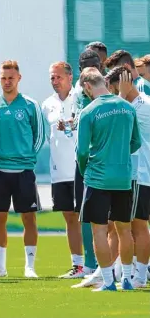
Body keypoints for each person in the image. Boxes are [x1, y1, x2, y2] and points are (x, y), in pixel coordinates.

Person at [76, 67, 141, 291]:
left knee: (100, 230)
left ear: (87, 86)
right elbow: (136, 143)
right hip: (123, 178)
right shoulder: (126, 107)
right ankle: (127, 279)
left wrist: (86, 170)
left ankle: (107, 281)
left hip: (98, 178)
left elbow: (82, 151)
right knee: (125, 230)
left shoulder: (89, 111)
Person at [0, 60, 45, 278]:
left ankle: (30, 267)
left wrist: (28, 158)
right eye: (3, 78)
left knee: (29, 218)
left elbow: (40, 136)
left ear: (19, 78)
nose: (7, 81)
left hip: (24, 170)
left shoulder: (30, 105)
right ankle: (0, 268)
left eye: (11, 78)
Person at [105, 66, 150, 288]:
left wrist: (121, 95)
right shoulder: (132, 105)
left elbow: (116, 125)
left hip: (142, 173)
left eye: (113, 88)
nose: (113, 93)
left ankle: (140, 276)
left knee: (139, 225)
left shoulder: (138, 107)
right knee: (132, 225)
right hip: (136, 174)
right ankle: (131, 272)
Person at [40, 61, 85, 278]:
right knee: (69, 217)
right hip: (59, 171)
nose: (55, 81)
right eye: (52, 78)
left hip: (82, 169)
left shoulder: (81, 97)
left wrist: (70, 124)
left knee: (88, 218)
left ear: (69, 77)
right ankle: (78, 265)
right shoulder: (47, 104)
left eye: (58, 77)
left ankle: (97, 264)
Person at [70, 50, 103, 288]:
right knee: (86, 213)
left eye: (95, 64)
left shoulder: (105, 88)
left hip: (103, 159)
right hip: (85, 158)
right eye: (87, 65)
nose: (91, 68)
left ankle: (112, 265)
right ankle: (90, 263)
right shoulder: (79, 91)